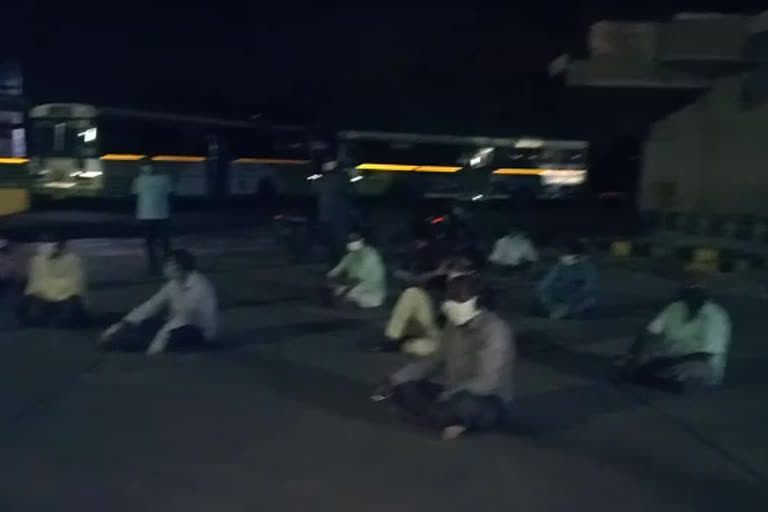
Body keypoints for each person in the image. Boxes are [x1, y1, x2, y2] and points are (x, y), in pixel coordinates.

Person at [373, 272, 515, 441]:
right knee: (406, 388)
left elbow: (487, 382)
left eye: (457, 300)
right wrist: (396, 379)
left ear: (475, 301)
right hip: (450, 390)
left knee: (465, 405)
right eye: (449, 299)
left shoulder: (495, 331)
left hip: (486, 399)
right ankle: (444, 420)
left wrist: (449, 396)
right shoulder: (453, 324)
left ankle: (443, 418)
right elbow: (435, 360)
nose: (450, 305)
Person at [619, 279, 731, 392]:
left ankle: (651, 379)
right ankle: (653, 378)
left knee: (686, 374)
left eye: (696, 292)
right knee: (640, 360)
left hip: (701, 363)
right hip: (670, 355)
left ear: (705, 295)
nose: (692, 296)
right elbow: (648, 333)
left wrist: (667, 362)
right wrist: (634, 356)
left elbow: (706, 355)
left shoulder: (715, 316)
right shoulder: (675, 308)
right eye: (689, 292)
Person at [100, 249, 217, 356]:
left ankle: (134, 342)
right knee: (147, 323)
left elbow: (186, 316)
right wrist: (121, 324)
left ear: (179, 266)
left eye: (169, 265)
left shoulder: (199, 285)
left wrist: (162, 336)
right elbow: (151, 305)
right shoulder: (174, 283)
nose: (166, 269)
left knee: (175, 334)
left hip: (198, 330)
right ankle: (126, 339)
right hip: (175, 325)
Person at [377, 231, 445, 355]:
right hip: (429, 320)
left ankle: (401, 341)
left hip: (441, 334)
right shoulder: (422, 257)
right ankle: (393, 339)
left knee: (421, 346)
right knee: (411, 293)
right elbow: (405, 274)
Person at [18, 233, 87, 328]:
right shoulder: (36, 261)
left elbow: (75, 287)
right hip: (43, 298)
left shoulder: (72, 260)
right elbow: (34, 284)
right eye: (43, 242)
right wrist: (31, 297)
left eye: (49, 242)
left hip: (65, 299)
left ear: (59, 245)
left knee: (71, 308)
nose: (44, 245)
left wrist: (53, 295)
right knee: (25, 306)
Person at [534, 239, 596, 319]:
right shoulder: (560, 265)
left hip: (578, 299)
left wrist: (572, 301)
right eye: (564, 254)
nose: (565, 257)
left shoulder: (588, 267)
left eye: (568, 254)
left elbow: (588, 288)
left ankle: (565, 311)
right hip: (561, 298)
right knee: (543, 298)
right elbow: (546, 282)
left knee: (590, 302)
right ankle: (561, 311)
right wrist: (542, 294)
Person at [132, 159, 173, 275]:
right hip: (162, 215)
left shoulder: (139, 180)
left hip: (146, 216)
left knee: (150, 244)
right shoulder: (165, 178)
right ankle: (169, 266)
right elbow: (170, 195)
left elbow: (135, 196)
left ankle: (153, 268)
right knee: (165, 244)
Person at [326, 232, 386, 309]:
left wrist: (343, 292)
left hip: (371, 290)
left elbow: (357, 279)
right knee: (336, 291)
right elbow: (336, 271)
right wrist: (329, 280)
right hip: (355, 286)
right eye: (350, 241)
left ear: (362, 241)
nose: (352, 244)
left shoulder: (370, 255)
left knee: (347, 295)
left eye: (355, 241)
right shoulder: (350, 256)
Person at [315, 160, 352, 266]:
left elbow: (313, 190)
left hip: (325, 216)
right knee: (340, 243)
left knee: (330, 244)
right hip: (340, 216)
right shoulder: (342, 179)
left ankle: (332, 265)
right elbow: (353, 192)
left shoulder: (320, 180)